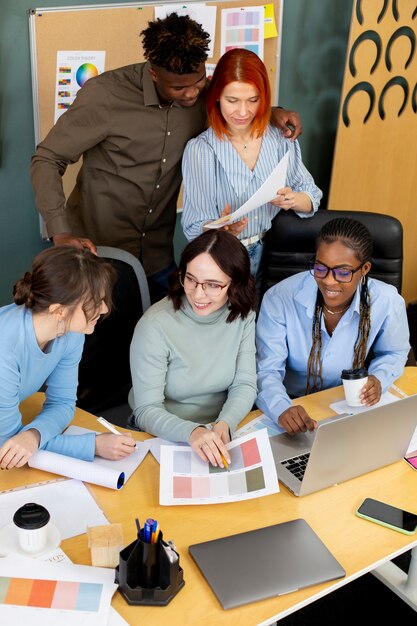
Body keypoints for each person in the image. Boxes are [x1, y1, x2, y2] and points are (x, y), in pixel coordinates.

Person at [30, 14, 302, 303]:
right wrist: (60, 232)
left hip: (159, 257)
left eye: (198, 82)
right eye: (178, 88)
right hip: (99, 254)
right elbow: (47, 159)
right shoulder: (105, 96)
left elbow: (237, 106)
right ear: (154, 74)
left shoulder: (203, 96)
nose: (191, 94)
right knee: (103, 342)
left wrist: (272, 112)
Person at [256, 217, 410, 434]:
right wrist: (281, 408)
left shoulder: (387, 301)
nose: (329, 281)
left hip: (349, 404)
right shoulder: (279, 298)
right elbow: (266, 369)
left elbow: (394, 352)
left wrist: (378, 378)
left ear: (364, 269)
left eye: (343, 272)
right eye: (320, 268)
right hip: (293, 404)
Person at [181, 48, 322, 280]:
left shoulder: (279, 137)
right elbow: (195, 225)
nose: (243, 112)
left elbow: (312, 195)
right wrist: (219, 229)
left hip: (273, 253)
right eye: (232, 100)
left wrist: (293, 200)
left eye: (253, 100)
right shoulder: (201, 150)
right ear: (216, 96)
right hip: (223, 259)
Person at [129, 229, 257, 467]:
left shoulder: (243, 314)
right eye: (190, 279)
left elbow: (245, 383)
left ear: (235, 283)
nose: (198, 294)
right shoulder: (155, 325)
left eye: (212, 285)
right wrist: (193, 432)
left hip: (222, 428)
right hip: (165, 434)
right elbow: (146, 409)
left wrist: (225, 423)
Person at [0, 246, 136, 470]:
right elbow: (8, 447)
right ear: (58, 311)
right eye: (95, 302)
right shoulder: (5, 349)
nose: (103, 309)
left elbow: (62, 403)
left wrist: (34, 434)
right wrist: (92, 446)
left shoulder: (69, 332)